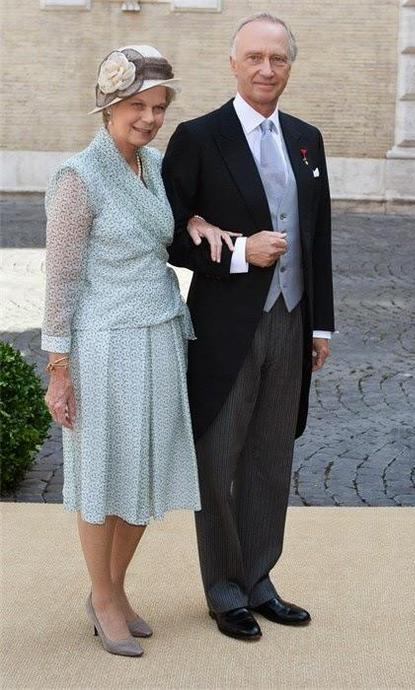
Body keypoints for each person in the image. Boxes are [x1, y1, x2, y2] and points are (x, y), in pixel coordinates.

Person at [42, 44, 236, 657]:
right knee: (105, 476)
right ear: (108, 106)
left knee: (145, 474)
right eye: (137, 106)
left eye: (158, 107)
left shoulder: (153, 166)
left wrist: (198, 223)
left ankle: (116, 591)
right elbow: (60, 280)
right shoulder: (79, 176)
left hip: (159, 336)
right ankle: (101, 598)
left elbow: (172, 225)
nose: (150, 118)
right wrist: (58, 369)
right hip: (103, 346)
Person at [162, 13, 335, 640]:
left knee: (271, 456)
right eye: (255, 58)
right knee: (219, 457)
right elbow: (171, 231)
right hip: (226, 324)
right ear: (233, 62)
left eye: (278, 59)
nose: (267, 70)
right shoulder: (198, 137)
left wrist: (322, 325)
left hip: (291, 321)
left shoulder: (307, 138)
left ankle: (260, 580)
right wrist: (237, 253)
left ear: (290, 65)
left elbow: (317, 236)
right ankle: (225, 589)